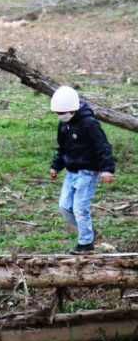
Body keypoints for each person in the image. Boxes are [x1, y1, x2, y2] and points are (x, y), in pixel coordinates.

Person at [48, 86, 115, 254]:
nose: (60, 116)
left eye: (63, 112)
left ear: (74, 109)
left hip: (88, 172)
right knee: (64, 207)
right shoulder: (63, 124)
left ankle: (86, 243)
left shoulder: (89, 123)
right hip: (71, 172)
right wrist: (55, 166)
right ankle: (89, 232)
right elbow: (61, 148)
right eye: (58, 113)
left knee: (79, 207)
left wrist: (107, 169)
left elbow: (102, 146)